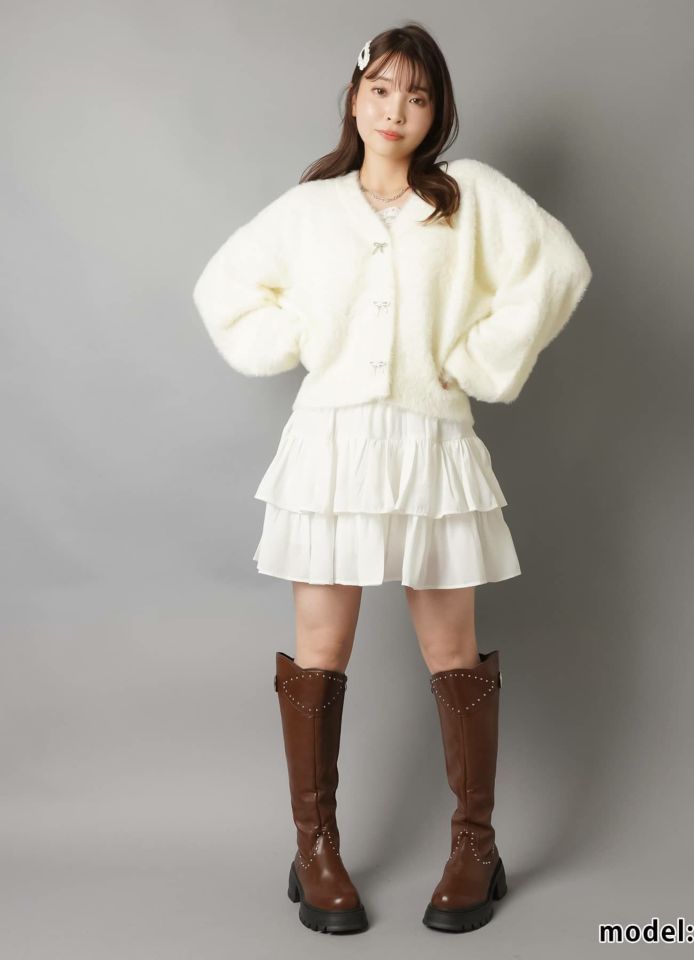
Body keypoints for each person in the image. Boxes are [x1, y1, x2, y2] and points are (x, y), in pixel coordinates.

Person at [192, 21, 592, 935]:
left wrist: (479, 360)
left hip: (431, 443)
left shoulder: (469, 197)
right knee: (319, 649)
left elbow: (558, 268)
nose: (395, 110)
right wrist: (303, 337)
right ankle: (315, 849)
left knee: (453, 650)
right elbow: (225, 291)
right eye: (380, 89)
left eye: (416, 95)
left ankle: (476, 847)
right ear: (354, 97)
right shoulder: (310, 209)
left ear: (435, 111)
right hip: (330, 448)